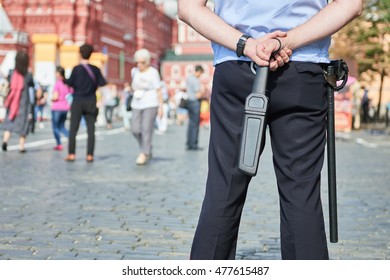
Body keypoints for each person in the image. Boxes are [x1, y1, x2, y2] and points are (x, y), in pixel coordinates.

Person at [178, 0, 362, 260]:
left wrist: (247, 44)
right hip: (303, 68)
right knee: (301, 192)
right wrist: (288, 41)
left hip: (237, 64)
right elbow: (351, 5)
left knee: (224, 186)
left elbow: (188, 8)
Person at [64, 43, 107, 162]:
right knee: (91, 129)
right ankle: (90, 155)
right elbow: (102, 83)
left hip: (78, 100)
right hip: (91, 100)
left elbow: (69, 83)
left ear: (80, 54)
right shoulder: (95, 69)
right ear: (91, 54)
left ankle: (72, 154)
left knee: (73, 129)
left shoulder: (76, 69)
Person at [130, 48, 163, 165]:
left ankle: (144, 153)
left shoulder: (153, 72)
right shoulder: (134, 71)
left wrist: (161, 107)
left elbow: (158, 90)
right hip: (136, 103)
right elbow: (132, 85)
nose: (139, 65)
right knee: (135, 129)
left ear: (147, 62)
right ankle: (147, 146)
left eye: (142, 63)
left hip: (151, 103)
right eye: (137, 62)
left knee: (146, 129)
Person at [2, 50, 35, 153]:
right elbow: (32, 85)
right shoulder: (28, 75)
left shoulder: (12, 73)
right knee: (23, 124)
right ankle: (21, 146)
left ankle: (5, 141)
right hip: (24, 103)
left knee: (10, 121)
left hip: (12, 103)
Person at [51, 66, 72, 151]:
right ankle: (71, 138)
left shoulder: (58, 83)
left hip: (57, 108)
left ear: (59, 74)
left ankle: (59, 144)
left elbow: (55, 97)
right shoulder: (67, 83)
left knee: (55, 127)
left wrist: (51, 99)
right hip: (66, 108)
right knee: (62, 126)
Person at [185, 65, 205, 151]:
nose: (200, 75)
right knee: (196, 124)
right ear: (199, 71)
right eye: (201, 73)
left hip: (189, 101)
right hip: (195, 103)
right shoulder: (196, 81)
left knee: (190, 124)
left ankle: (189, 143)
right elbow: (198, 94)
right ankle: (194, 144)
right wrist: (203, 91)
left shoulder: (189, 79)